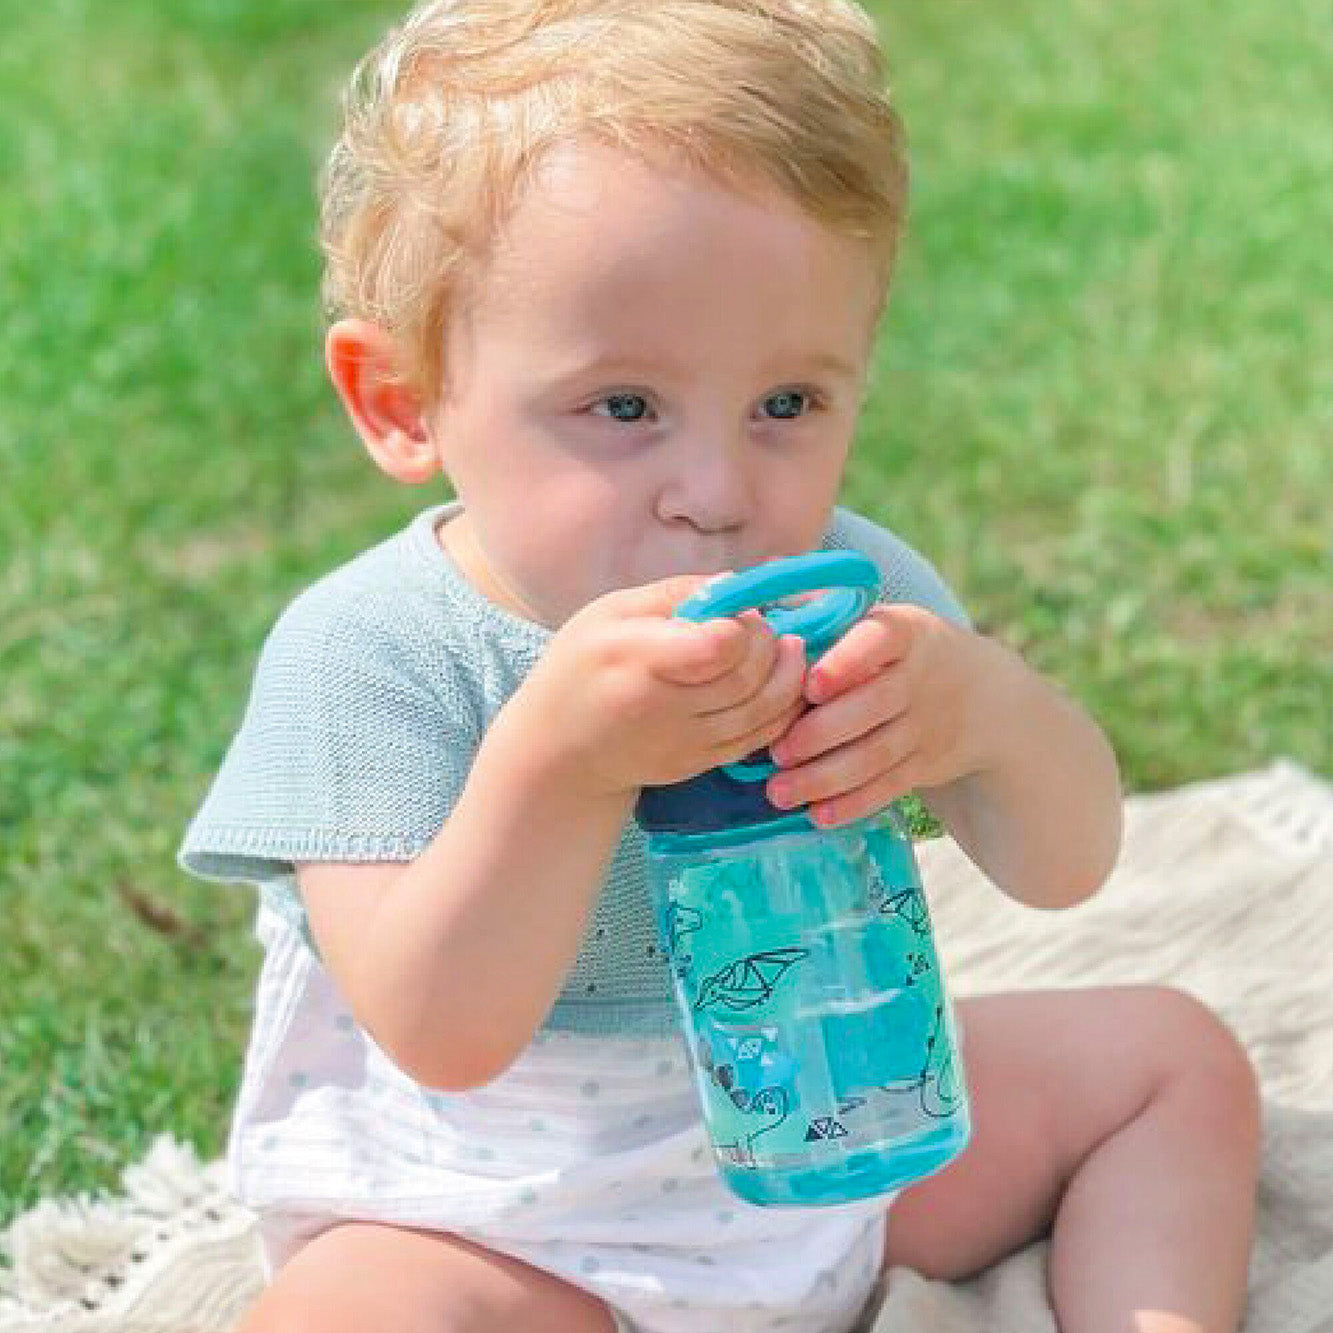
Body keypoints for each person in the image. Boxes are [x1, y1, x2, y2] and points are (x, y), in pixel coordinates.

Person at [178, 1, 1261, 1329]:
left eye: (786, 405)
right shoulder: (372, 651)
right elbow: (441, 1029)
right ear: (404, 401)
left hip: (838, 1124)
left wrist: (986, 716)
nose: (715, 491)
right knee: (355, 1312)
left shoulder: (841, 593)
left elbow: (1066, 864)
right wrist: (562, 763)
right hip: (499, 1214)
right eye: (624, 408)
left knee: (1171, 1060)